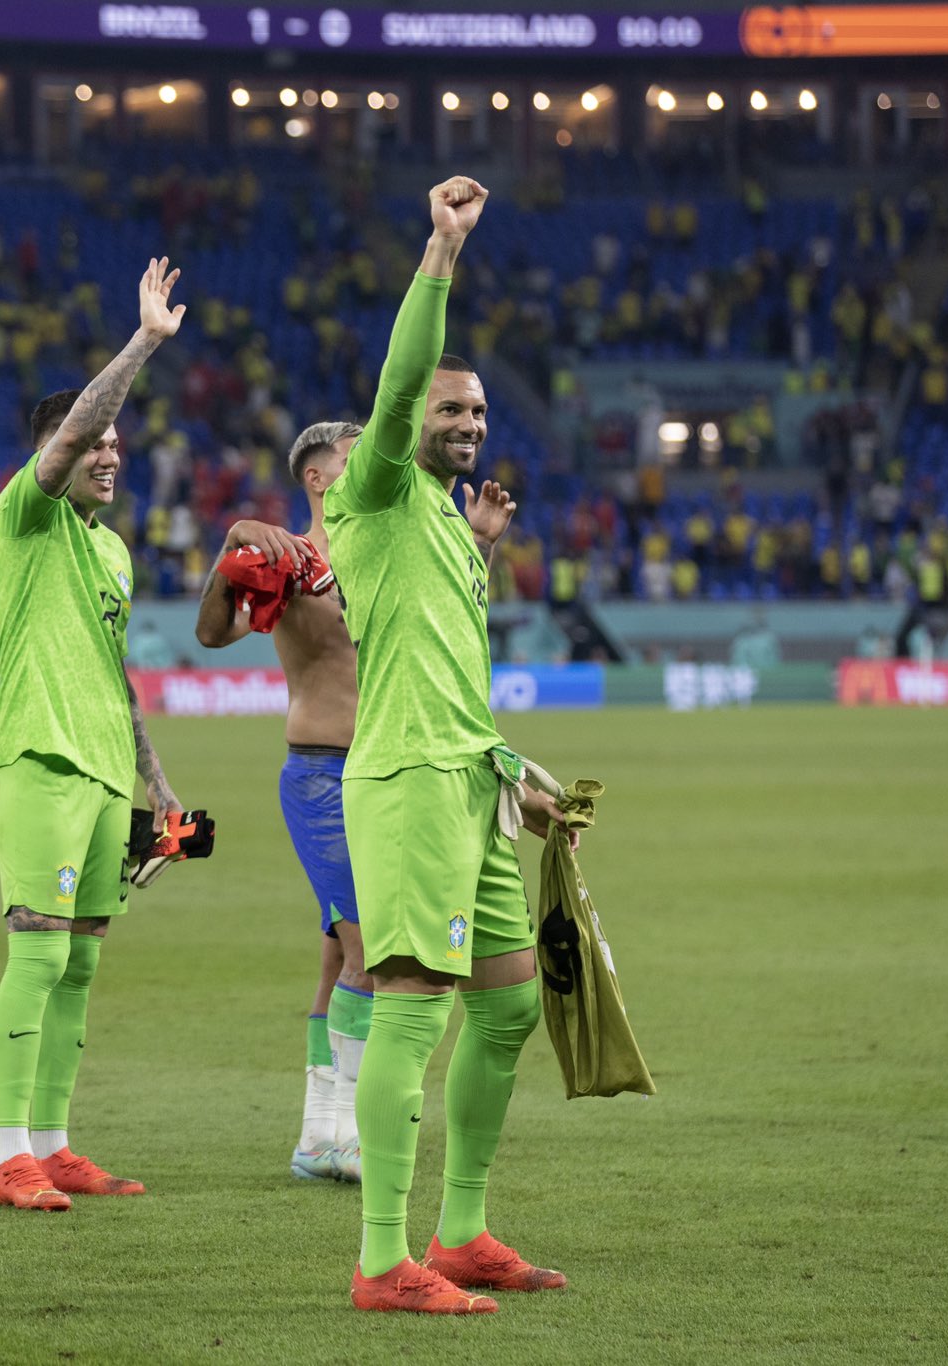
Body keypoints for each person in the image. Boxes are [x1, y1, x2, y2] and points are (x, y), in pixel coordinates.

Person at [324, 178, 574, 1315]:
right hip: (407, 782)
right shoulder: (376, 489)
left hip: (467, 780)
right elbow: (399, 378)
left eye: (478, 413)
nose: (468, 424)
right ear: (406, 417)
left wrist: (516, 777)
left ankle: (461, 1231)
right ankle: (382, 1258)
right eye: (450, 409)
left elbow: (448, 677)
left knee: (509, 1005)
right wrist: (441, 251)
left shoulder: (443, 517)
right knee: (414, 1006)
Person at [0, 258, 187, 1213]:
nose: (111, 453)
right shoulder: (21, 519)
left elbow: (113, 669)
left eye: (117, 444)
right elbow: (66, 440)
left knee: (82, 959)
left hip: (106, 771)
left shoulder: (113, 551)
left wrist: (156, 780)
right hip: (40, 758)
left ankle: (57, 1144)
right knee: (37, 950)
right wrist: (143, 342)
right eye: (96, 442)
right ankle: (12, 1155)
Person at [193, 421, 372, 1186]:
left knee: (338, 955)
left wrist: (485, 545)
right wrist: (234, 543)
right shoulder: (289, 560)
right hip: (323, 775)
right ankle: (354, 1136)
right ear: (318, 478)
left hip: (387, 774)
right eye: (357, 456)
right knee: (371, 951)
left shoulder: (388, 552)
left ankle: (316, 1137)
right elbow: (212, 633)